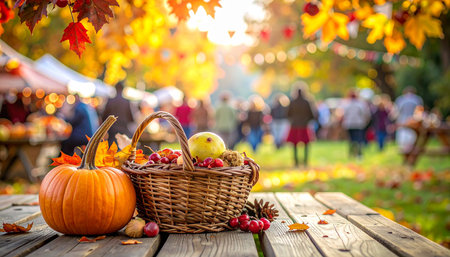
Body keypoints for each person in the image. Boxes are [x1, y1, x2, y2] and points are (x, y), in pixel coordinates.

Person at [287, 85, 317, 166]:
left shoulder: (292, 102)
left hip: (295, 125)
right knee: (306, 144)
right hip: (304, 125)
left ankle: (296, 162)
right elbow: (311, 114)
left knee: (294, 144)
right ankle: (305, 161)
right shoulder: (307, 102)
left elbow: (288, 114)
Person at [394, 86, 423, 153]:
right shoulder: (417, 99)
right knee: (411, 136)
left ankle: (404, 151)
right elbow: (420, 110)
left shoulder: (400, 99)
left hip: (402, 120)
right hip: (413, 121)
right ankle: (410, 150)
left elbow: (397, 111)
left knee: (403, 137)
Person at [342, 90, 371, 158]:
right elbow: (366, 114)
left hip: (349, 124)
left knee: (351, 139)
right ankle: (359, 154)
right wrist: (365, 121)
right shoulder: (361, 104)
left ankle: (351, 153)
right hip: (359, 124)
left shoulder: (347, 105)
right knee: (359, 139)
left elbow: (344, 115)